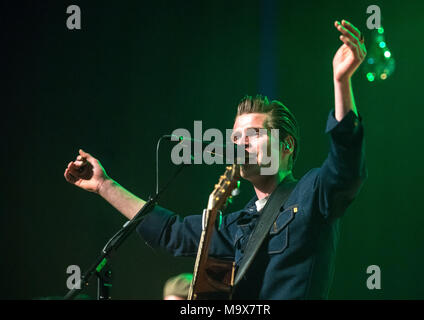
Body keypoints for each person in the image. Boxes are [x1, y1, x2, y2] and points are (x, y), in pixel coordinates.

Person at [64, 19, 367, 299]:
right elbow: (171, 233)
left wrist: (341, 83)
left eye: (253, 134)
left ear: (286, 145)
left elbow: (345, 168)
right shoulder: (236, 224)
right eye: (236, 137)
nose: (241, 143)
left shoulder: (311, 192)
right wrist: (104, 185)